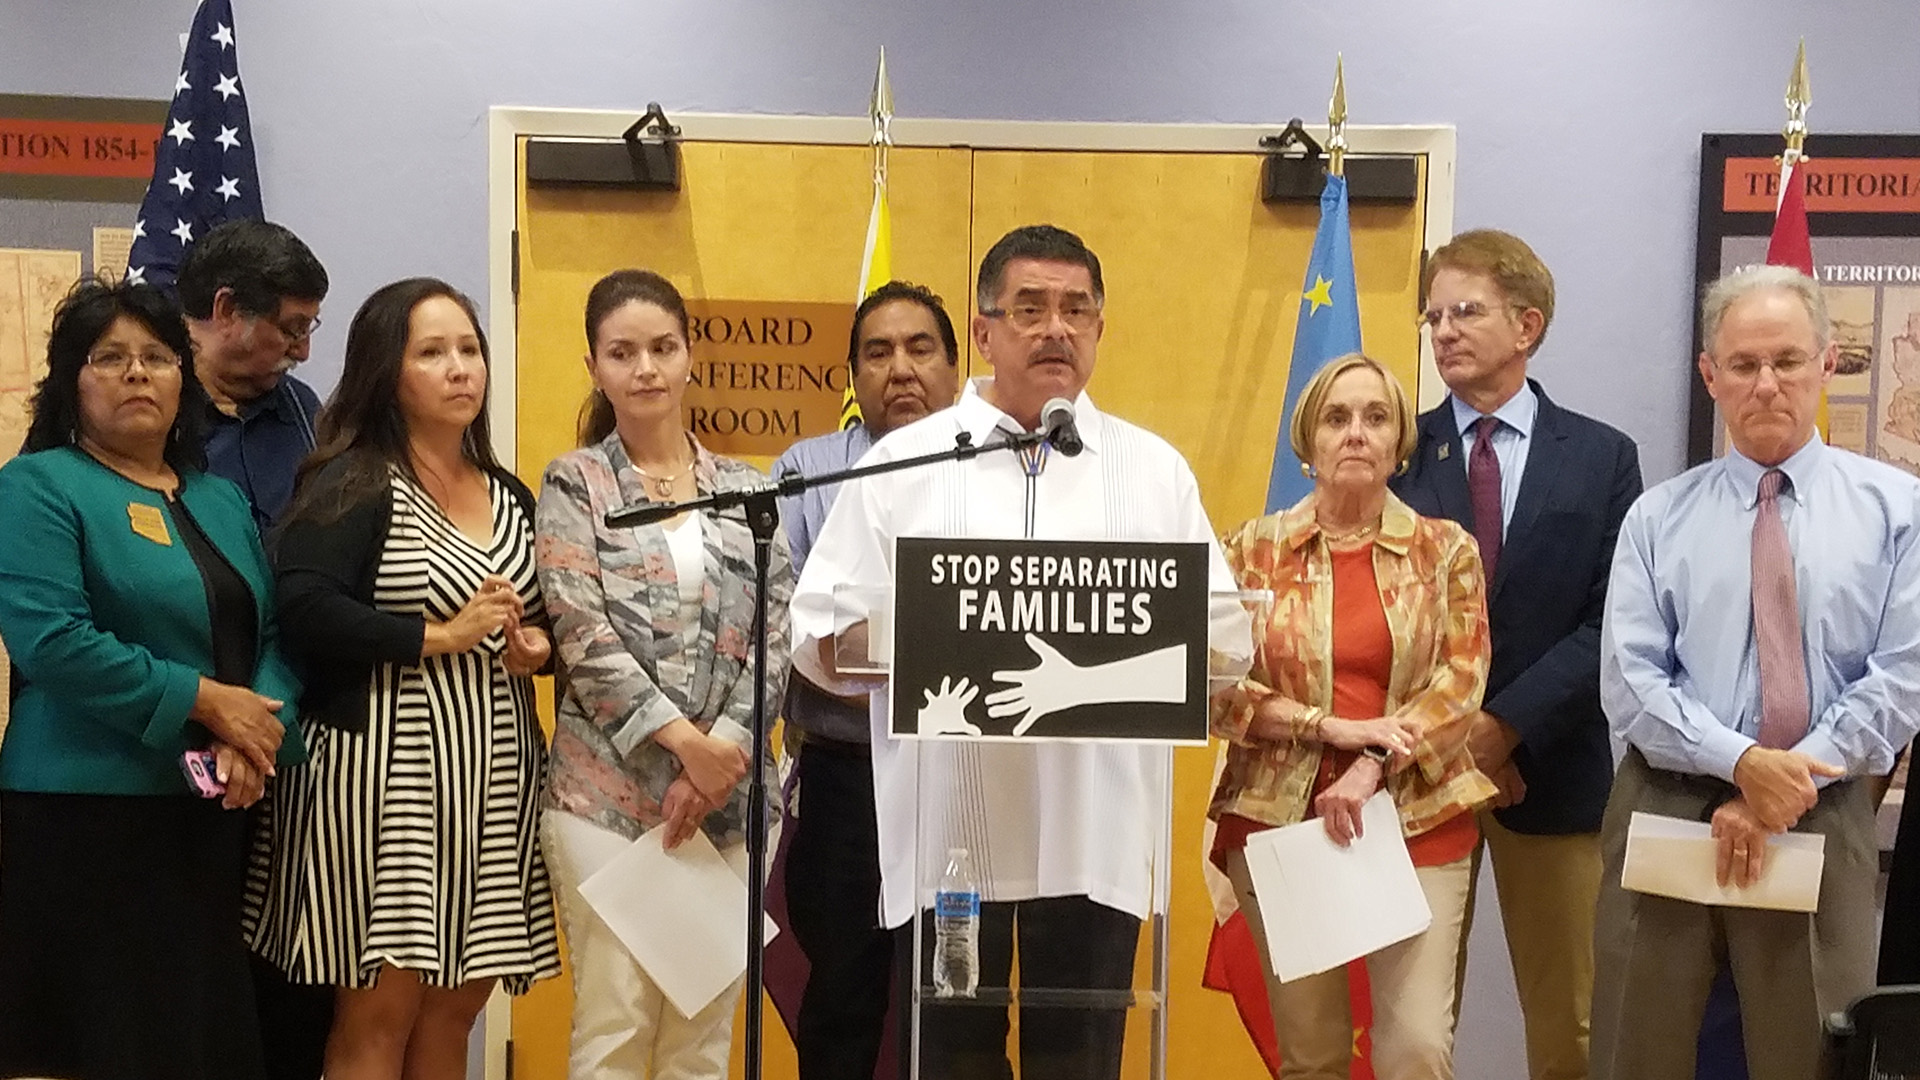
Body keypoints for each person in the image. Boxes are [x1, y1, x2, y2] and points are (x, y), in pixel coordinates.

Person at [788, 224, 1251, 1080]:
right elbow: (820, 637)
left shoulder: (1152, 472)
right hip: (950, 834)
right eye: (1030, 309)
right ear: (987, 327)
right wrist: (928, 639)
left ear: (1101, 330)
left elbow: (1224, 641)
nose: (1056, 330)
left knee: (1079, 1063)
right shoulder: (905, 462)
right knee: (953, 1064)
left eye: (1078, 310)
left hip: (1096, 832)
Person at [1592, 265, 1920, 1080]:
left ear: (1826, 365)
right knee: (1643, 1044)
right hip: (1668, 801)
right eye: (1743, 365)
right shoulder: (1657, 517)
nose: (1766, 383)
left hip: (1824, 803)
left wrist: (1785, 784)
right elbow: (1631, 683)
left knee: (1812, 1047)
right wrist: (1740, 765)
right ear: (1710, 375)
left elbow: (1903, 675)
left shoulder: (1898, 510)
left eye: (1787, 360)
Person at [243, 278, 561, 1080]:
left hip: (493, 780)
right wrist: (437, 635)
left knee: (454, 1013)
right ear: (388, 372)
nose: (461, 368)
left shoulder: (512, 493)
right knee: (378, 1016)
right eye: (432, 353)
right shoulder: (354, 479)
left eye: (469, 349)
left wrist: (535, 648)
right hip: (384, 777)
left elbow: (544, 619)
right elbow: (305, 606)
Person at [0, 277, 304, 1079]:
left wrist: (258, 735)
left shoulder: (221, 501)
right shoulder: (36, 487)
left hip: (208, 820)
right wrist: (210, 704)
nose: (138, 373)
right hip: (82, 822)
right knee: (91, 1051)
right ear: (72, 381)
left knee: (196, 1048)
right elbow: (52, 642)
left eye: (158, 357)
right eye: (110, 357)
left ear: (183, 379)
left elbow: (270, 635)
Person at [1390, 229, 1641, 1080]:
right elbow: (1380, 619)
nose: (1444, 332)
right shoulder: (1398, 453)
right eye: (1433, 317)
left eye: (1466, 311)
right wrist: (1458, 739)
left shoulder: (1603, 457)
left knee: (1573, 1025)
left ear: (1527, 324)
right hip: (1419, 778)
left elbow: (1613, 621)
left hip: (1558, 775)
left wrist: (1506, 728)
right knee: (1407, 1025)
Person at [535, 268, 794, 1080]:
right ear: (595, 366)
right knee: (615, 1026)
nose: (645, 368)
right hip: (604, 798)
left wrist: (721, 761)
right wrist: (686, 746)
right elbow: (579, 628)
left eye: (661, 347)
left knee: (703, 1039)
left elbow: (776, 633)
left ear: (689, 355)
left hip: (732, 803)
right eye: (623, 352)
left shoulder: (748, 490)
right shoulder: (576, 482)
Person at [1210, 352, 1496, 1080]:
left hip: (1417, 817)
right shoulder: (1250, 551)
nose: (1357, 434)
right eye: (1338, 418)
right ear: (1308, 440)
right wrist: (1325, 728)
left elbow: (1462, 681)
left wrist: (1374, 761)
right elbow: (1212, 686)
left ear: (1400, 439)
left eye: (1376, 418)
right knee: (1311, 1057)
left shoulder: (1445, 551)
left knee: (1417, 1048)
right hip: (1282, 821)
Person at [775, 280, 962, 1080]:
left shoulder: (992, 471)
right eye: (877, 353)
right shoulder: (807, 472)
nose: (900, 369)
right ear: (852, 375)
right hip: (845, 779)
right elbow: (793, 625)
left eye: (920, 348)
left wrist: (877, 647)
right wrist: (930, 653)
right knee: (843, 1000)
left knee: (957, 1003)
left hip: (961, 783)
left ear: (956, 366)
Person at [176, 219, 330, 533]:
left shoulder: (302, 408)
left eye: (308, 328)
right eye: (293, 329)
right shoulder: (151, 412)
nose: (303, 353)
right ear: (228, 310)